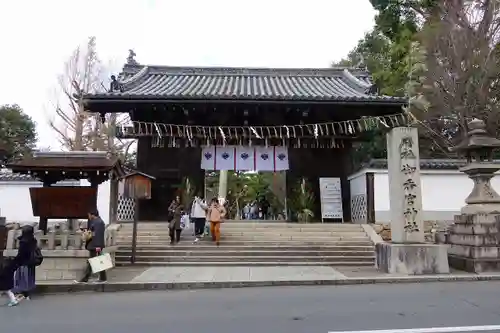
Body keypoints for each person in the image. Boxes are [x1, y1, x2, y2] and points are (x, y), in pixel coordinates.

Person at [78, 209, 107, 283]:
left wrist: (97, 245)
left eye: (89, 215)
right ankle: (102, 278)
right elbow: (93, 233)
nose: (89, 216)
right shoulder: (96, 222)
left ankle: (85, 278)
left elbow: (97, 235)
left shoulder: (98, 223)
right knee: (98, 261)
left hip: (96, 245)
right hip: (94, 245)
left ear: (92, 214)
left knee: (93, 261)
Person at [12, 225, 38, 300]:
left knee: (21, 277)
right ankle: (27, 293)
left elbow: (21, 253)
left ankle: (22, 293)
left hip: (23, 262)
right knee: (29, 277)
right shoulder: (33, 240)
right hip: (30, 262)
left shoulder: (23, 241)